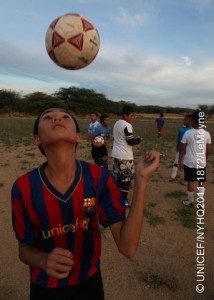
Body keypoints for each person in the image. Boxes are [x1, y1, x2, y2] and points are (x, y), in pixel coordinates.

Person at [11, 106, 159, 300]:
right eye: (48, 117)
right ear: (37, 139)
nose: (57, 119)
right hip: (44, 285)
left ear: (78, 136)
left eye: (64, 116)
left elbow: (127, 247)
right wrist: (43, 259)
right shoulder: (23, 187)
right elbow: (24, 250)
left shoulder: (100, 178)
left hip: (89, 282)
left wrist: (141, 181)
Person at [178, 111, 211, 207]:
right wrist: (205, 159)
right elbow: (208, 150)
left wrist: (180, 161)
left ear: (192, 121)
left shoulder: (188, 133)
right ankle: (200, 202)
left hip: (189, 162)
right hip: (201, 162)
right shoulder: (207, 134)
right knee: (201, 182)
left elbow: (182, 149)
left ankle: (190, 201)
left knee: (190, 181)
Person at [111, 105, 143, 208]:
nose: (132, 118)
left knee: (118, 178)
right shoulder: (126, 125)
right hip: (125, 156)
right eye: (131, 115)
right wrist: (139, 139)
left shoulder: (116, 123)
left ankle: (116, 198)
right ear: (125, 115)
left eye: (134, 116)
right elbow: (130, 141)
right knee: (126, 180)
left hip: (116, 155)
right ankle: (123, 200)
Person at [169, 114, 192, 182]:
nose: (183, 121)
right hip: (183, 151)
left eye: (185, 120)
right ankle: (175, 177)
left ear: (190, 121)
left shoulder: (186, 130)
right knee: (180, 164)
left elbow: (180, 140)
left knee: (182, 164)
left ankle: (180, 178)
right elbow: (179, 140)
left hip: (184, 150)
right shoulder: (185, 129)